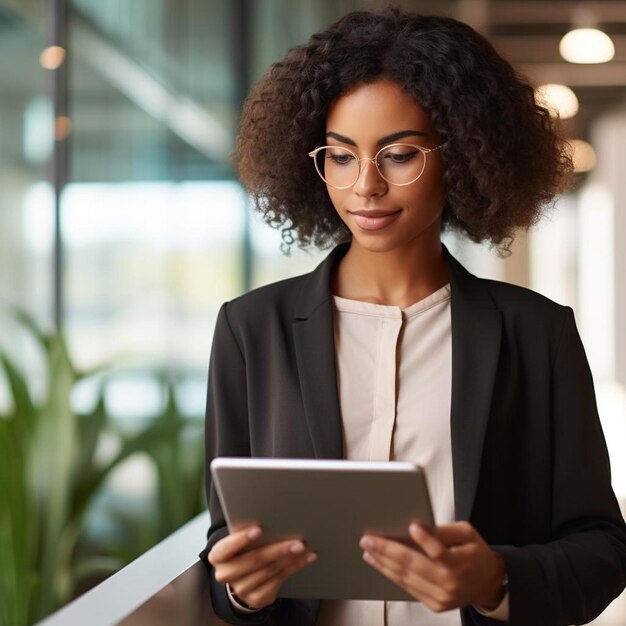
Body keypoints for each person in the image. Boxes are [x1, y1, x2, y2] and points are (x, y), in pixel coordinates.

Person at [199, 8, 626, 626]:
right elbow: (223, 553)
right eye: (341, 157)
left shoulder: (536, 333)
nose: (365, 186)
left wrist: (495, 579)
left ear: (463, 154)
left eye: (398, 155)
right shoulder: (251, 330)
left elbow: (603, 550)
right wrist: (241, 590)